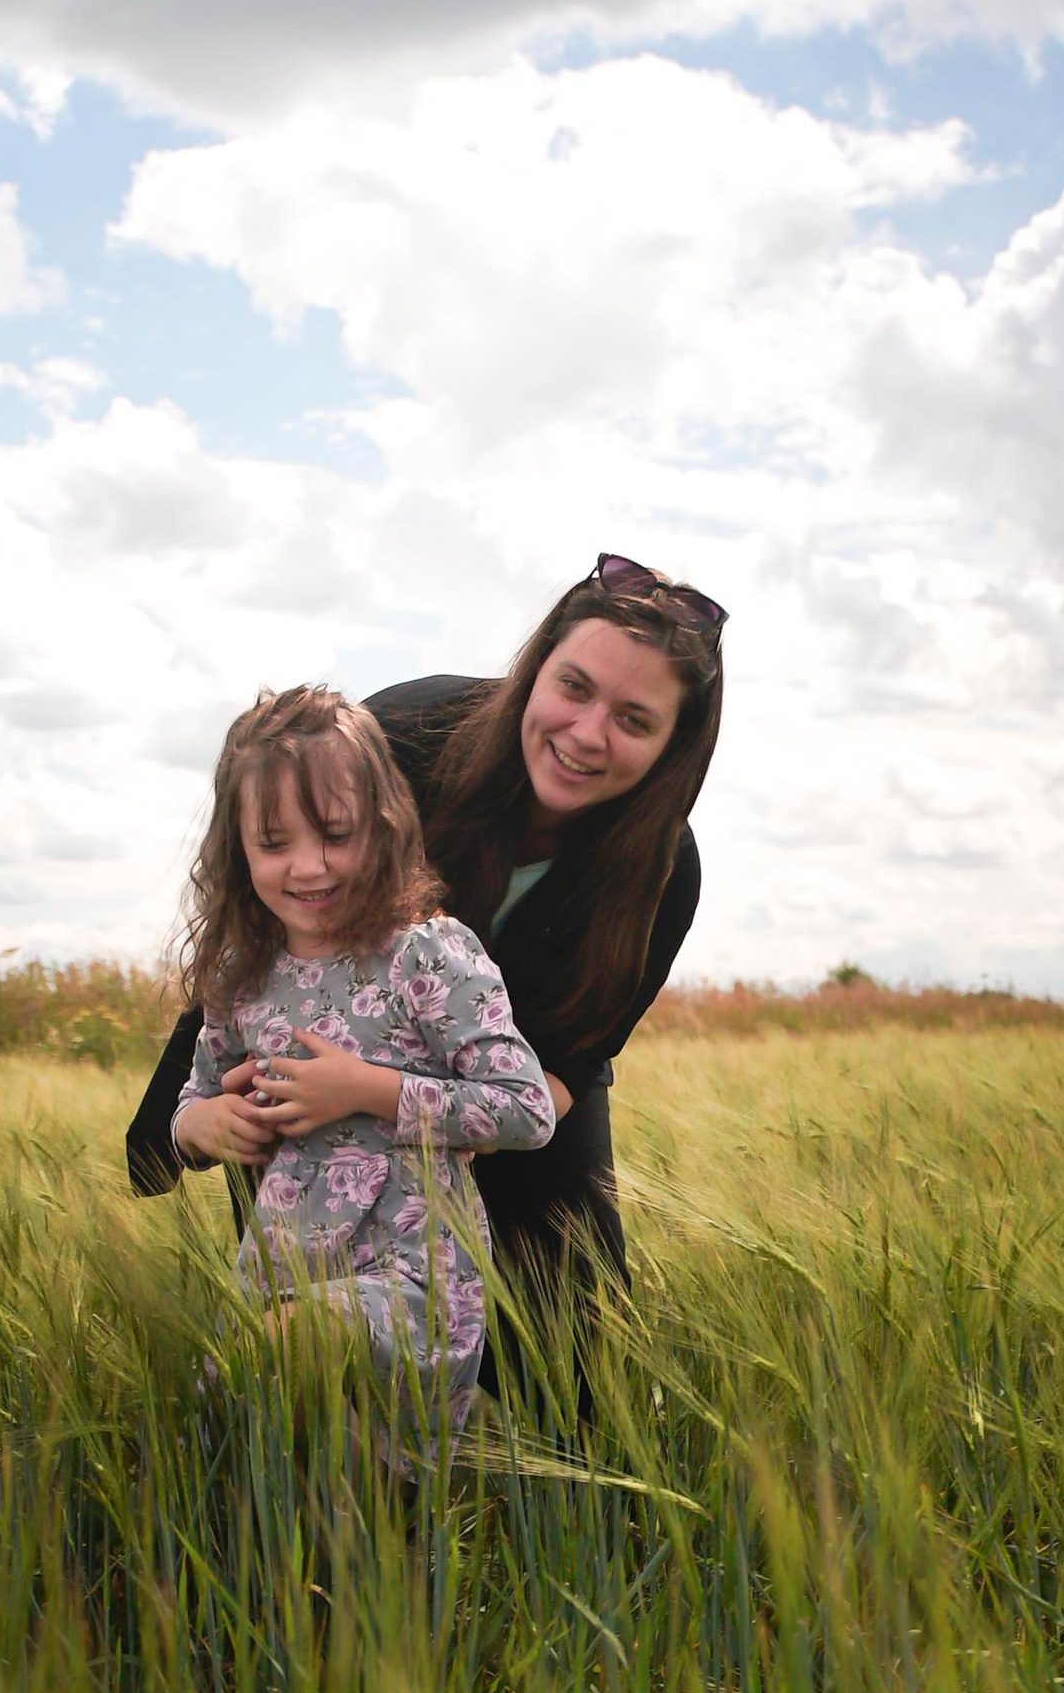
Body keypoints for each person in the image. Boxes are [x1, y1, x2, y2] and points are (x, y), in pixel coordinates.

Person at [129, 557, 725, 1339]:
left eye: (634, 718)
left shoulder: (663, 872)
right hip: (321, 1048)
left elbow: (567, 1066)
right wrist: (182, 1127)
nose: (586, 733)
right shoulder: (408, 733)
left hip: (510, 1079)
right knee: (299, 1331)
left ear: (671, 747)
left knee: (574, 1349)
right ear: (535, 666)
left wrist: (437, 1117)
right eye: (573, 686)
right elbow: (271, 926)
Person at [166, 684, 555, 1437]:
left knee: (292, 1355)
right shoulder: (241, 974)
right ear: (238, 848)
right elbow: (198, 1095)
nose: (309, 866)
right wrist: (203, 1125)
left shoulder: (428, 953)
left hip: (414, 1276)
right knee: (271, 1452)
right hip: (284, 1270)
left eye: (336, 833)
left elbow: (525, 1107)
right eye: (275, 844)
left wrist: (367, 1089)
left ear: (383, 825)